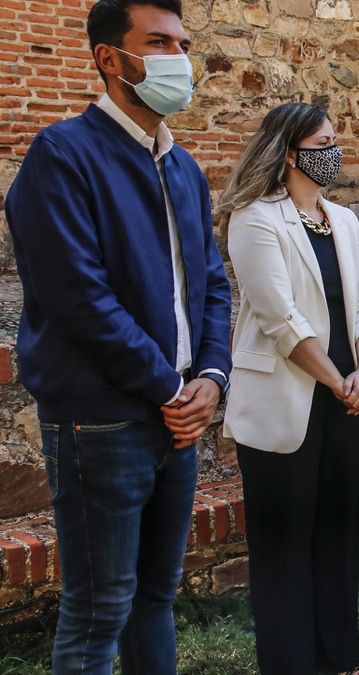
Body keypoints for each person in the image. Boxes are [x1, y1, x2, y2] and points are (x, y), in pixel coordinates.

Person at [4, 1, 231, 672]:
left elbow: (213, 283)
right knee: (100, 608)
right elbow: (78, 298)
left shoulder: (185, 168)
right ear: (109, 58)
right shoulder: (62, 155)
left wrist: (211, 379)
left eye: (182, 43)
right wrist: (170, 385)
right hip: (101, 422)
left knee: (156, 596)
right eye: (158, 42)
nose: (179, 59)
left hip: (179, 420)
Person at [219, 103, 359, 675]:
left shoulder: (341, 220)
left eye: (335, 139)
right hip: (290, 397)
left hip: (347, 399)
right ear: (291, 151)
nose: (334, 150)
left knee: (339, 536)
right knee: (285, 544)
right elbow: (279, 318)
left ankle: (340, 660)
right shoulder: (254, 217)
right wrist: (339, 380)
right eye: (324, 141)